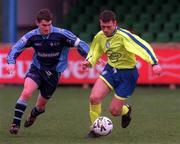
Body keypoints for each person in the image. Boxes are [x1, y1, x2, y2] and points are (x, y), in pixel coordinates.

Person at [7, 9, 89, 135]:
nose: (47, 28)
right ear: (37, 23)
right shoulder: (32, 36)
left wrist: (90, 58)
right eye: (44, 25)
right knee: (27, 92)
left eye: (49, 24)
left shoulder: (62, 34)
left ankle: (33, 114)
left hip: (54, 74)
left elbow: (80, 44)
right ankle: (15, 124)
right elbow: (16, 48)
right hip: (37, 69)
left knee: (40, 106)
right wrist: (11, 63)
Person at [82, 9, 162, 138]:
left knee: (114, 111)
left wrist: (154, 63)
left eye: (108, 26)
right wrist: (89, 61)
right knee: (94, 98)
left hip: (127, 75)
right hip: (111, 70)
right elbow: (95, 50)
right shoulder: (99, 36)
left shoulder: (124, 36)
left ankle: (126, 110)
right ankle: (95, 129)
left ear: (115, 23)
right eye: (103, 26)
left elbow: (143, 46)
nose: (105, 29)